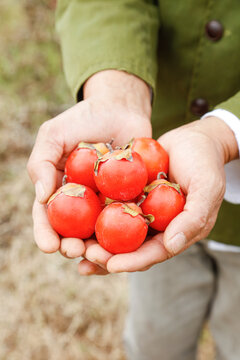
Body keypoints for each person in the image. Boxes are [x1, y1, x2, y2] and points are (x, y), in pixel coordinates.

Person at [27, 1, 240, 359]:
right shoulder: (140, 201)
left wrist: (226, 132)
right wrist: (115, 89)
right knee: (154, 340)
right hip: (157, 215)